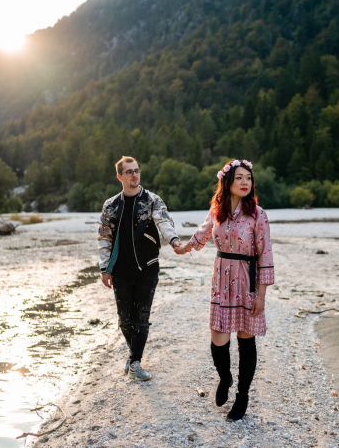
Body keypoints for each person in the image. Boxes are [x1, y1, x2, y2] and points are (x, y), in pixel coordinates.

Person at [183, 159, 274, 421]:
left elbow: (265, 255)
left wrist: (262, 295)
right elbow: (201, 235)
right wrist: (181, 246)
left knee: (246, 340)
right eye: (240, 178)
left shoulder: (258, 214)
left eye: (249, 178)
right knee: (218, 339)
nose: (246, 182)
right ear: (228, 182)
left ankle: (242, 396)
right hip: (221, 279)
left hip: (248, 278)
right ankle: (225, 378)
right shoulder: (216, 210)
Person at [98, 155, 185, 381]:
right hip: (120, 271)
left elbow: (164, 222)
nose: (135, 174)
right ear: (120, 176)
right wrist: (104, 268)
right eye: (129, 172)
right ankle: (133, 354)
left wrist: (174, 240)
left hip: (148, 268)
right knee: (124, 319)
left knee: (142, 318)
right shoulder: (111, 206)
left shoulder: (152, 200)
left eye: (137, 170)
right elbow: (104, 238)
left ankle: (135, 362)